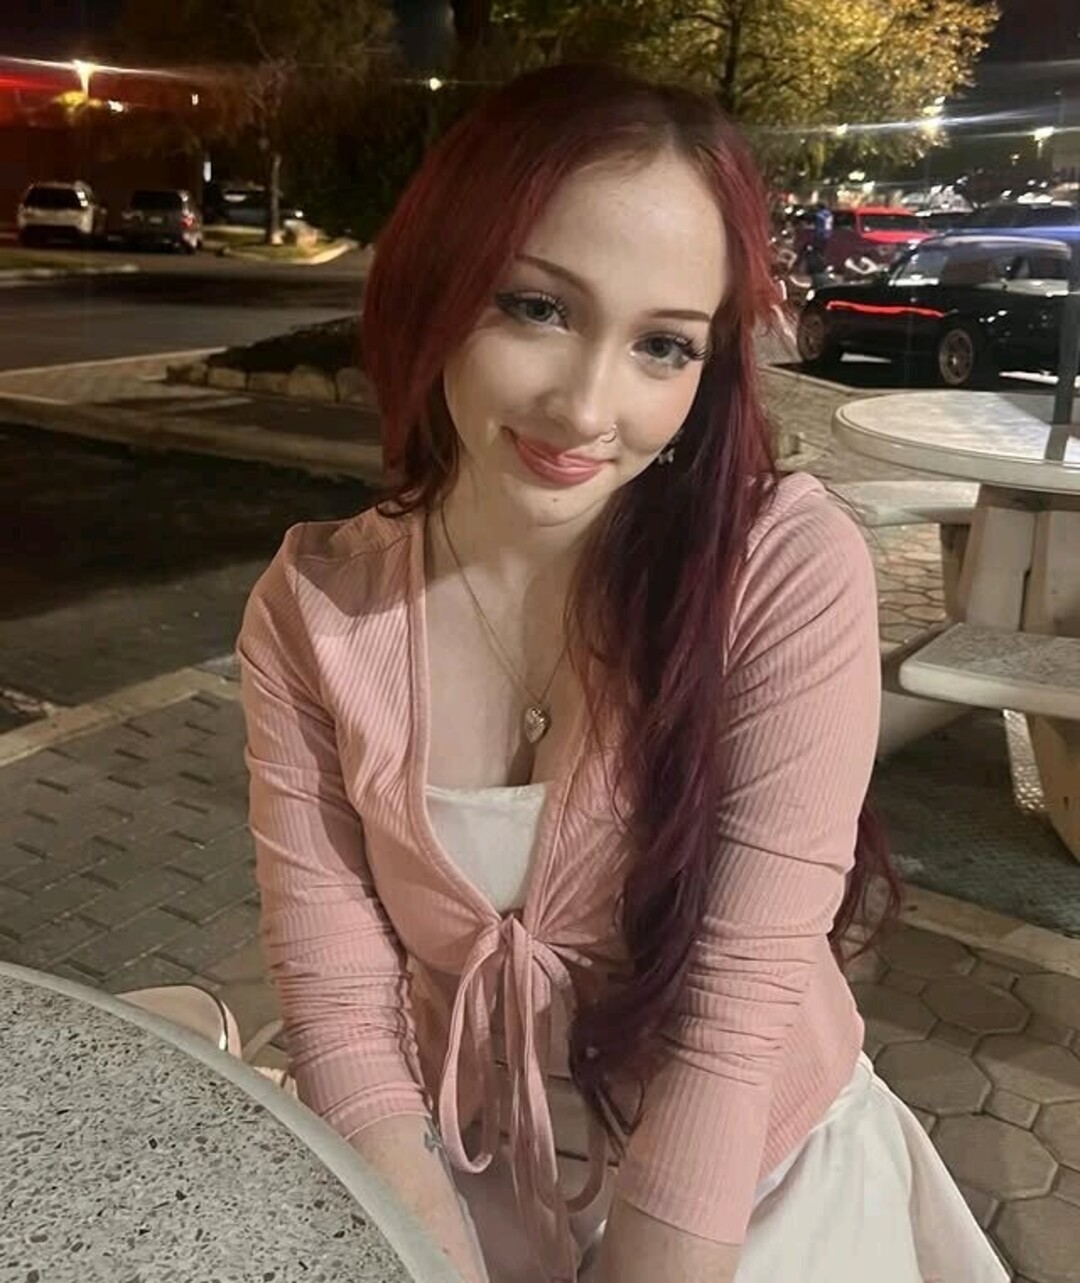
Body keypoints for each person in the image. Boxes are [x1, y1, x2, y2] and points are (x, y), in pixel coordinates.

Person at [237, 63, 1008, 1283]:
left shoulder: (777, 569)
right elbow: (339, 1000)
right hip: (449, 1167)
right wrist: (426, 1255)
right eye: (537, 307)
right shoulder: (314, 610)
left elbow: (735, 1004)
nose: (588, 406)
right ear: (437, 279)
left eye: (662, 345)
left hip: (749, 1181)